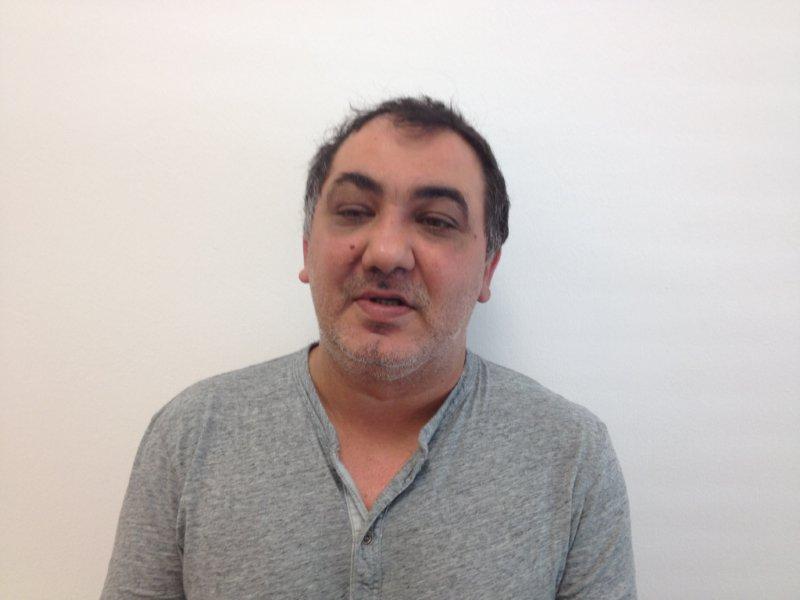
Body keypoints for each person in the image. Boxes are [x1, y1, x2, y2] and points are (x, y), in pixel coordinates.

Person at [101, 96, 636, 599]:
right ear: (307, 248)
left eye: (436, 221)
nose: (385, 253)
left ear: (487, 269)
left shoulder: (571, 456)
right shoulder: (191, 435)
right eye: (355, 211)